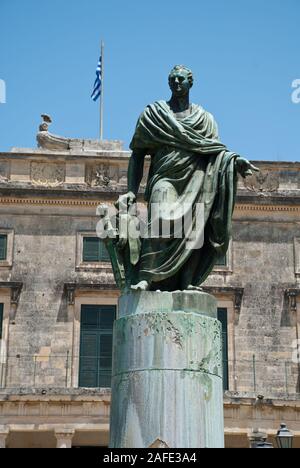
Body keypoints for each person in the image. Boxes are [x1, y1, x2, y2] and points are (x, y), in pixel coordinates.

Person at [118, 65, 259, 291]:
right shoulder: (154, 114)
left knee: (195, 227)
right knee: (160, 217)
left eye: (181, 79)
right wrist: (132, 191)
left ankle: (187, 281)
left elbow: (216, 151)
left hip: (197, 179)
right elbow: (137, 155)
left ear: (190, 83)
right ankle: (148, 276)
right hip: (164, 178)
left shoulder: (205, 119)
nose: (176, 83)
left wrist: (235, 161)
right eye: (172, 79)